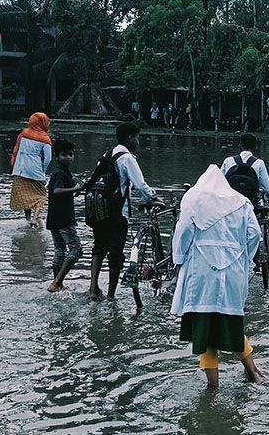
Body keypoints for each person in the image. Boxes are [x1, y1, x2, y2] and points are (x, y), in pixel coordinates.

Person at [171, 165, 266, 388]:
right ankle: (254, 372)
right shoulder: (240, 202)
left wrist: (179, 258)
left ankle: (212, 388)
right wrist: (243, 259)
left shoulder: (193, 199)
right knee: (232, 326)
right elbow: (254, 234)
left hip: (201, 274)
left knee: (205, 335)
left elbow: (183, 231)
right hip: (231, 274)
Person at [87, 123, 158, 300]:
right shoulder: (127, 158)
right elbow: (141, 185)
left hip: (99, 209)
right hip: (117, 212)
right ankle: (111, 295)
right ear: (129, 138)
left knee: (99, 248)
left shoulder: (106, 155)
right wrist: (152, 196)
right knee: (116, 253)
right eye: (136, 137)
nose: (138, 141)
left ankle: (93, 288)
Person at [46, 140, 84, 293]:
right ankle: (57, 282)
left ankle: (57, 284)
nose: (68, 158)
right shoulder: (60, 173)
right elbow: (56, 191)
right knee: (76, 250)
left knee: (60, 250)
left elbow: (63, 190)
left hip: (54, 218)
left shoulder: (62, 173)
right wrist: (75, 188)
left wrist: (75, 189)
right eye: (64, 155)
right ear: (56, 157)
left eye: (70, 154)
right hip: (63, 218)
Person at [10, 113, 52, 228]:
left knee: (25, 197)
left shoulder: (23, 134)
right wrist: (42, 170)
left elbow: (16, 150)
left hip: (20, 169)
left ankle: (28, 220)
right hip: (35, 170)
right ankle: (34, 219)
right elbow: (48, 158)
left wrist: (14, 166)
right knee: (41, 195)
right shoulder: (45, 138)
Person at [221, 133, 269, 204]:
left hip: (231, 201)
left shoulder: (228, 161)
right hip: (250, 201)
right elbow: (267, 187)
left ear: (240, 145)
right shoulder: (259, 163)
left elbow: (220, 182)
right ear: (255, 147)